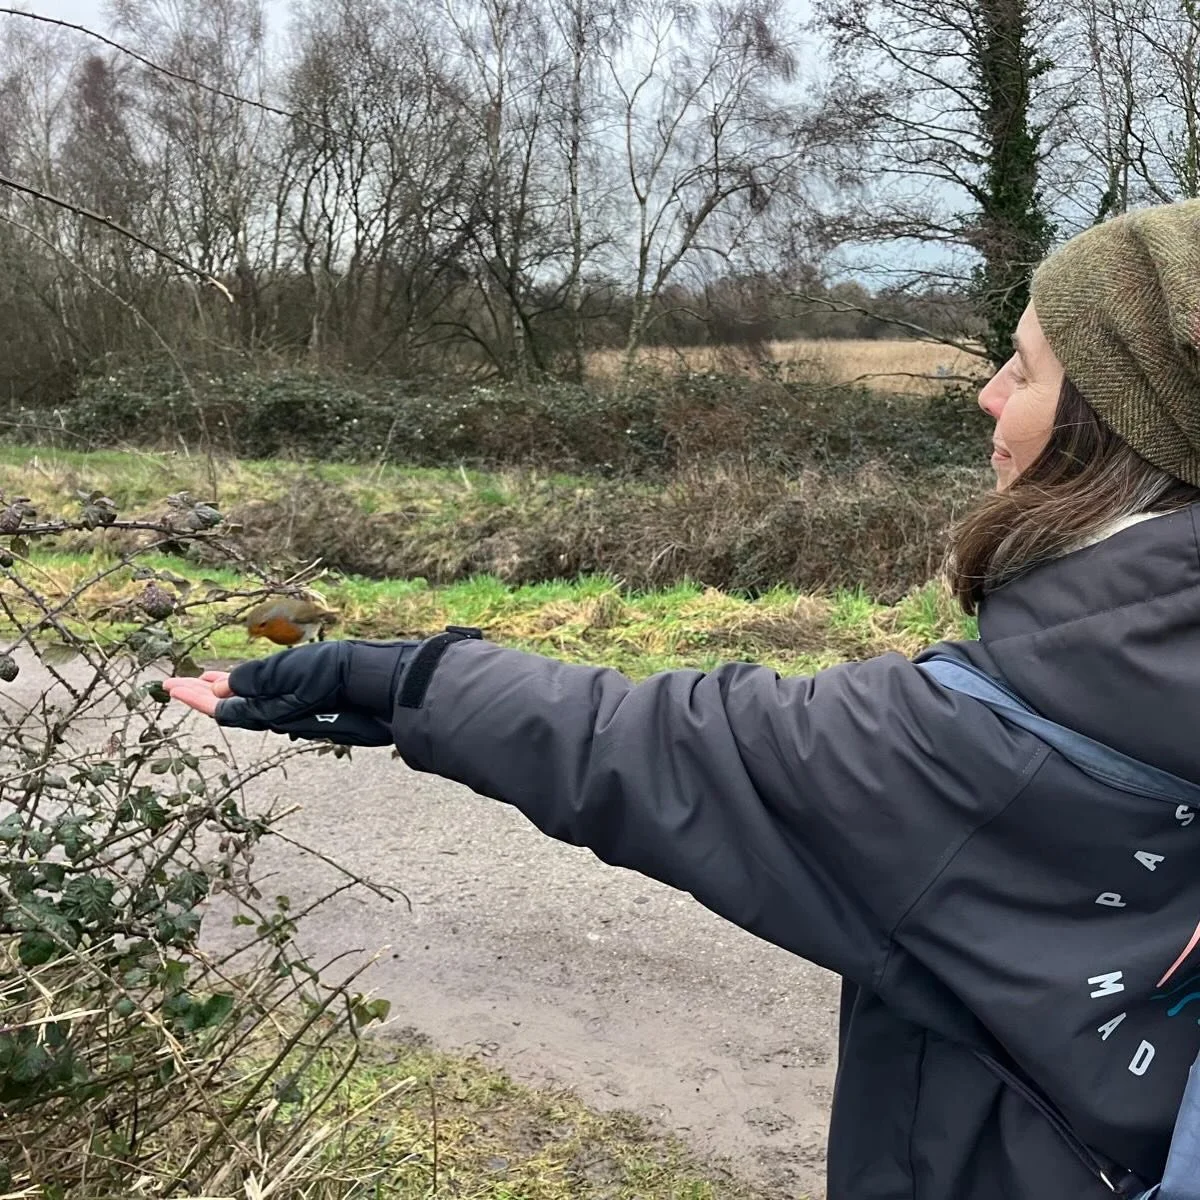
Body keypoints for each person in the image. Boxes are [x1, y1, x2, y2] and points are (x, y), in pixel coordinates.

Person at [167, 199, 1200, 1200]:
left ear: (1109, 432)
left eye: (1023, 368)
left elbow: (660, 745)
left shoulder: (1004, 747)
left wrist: (392, 679)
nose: (987, 393)